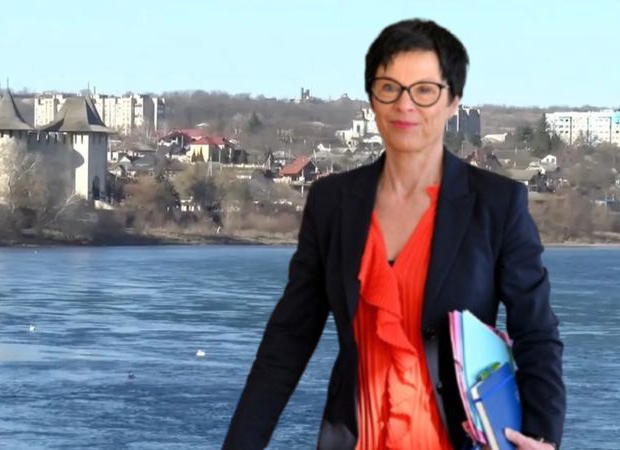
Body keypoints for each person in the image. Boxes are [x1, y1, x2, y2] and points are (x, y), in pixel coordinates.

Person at [223, 19, 565, 450]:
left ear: (453, 101)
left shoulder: (497, 204)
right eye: (389, 88)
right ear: (372, 98)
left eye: (424, 90)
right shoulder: (331, 203)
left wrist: (541, 437)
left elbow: (536, 334)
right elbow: (288, 341)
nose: (405, 105)